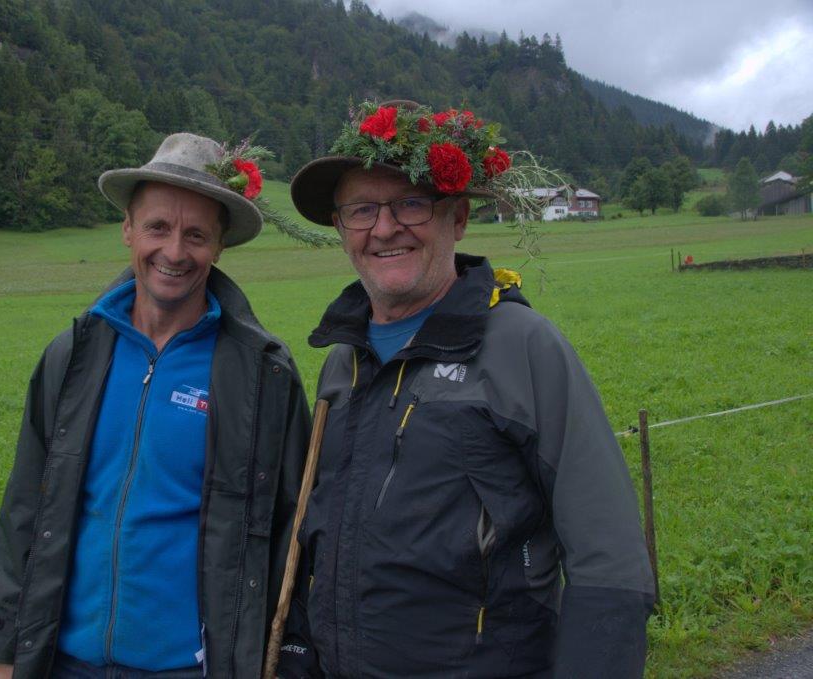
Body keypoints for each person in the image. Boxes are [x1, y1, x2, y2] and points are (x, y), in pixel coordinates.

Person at [276, 101, 655, 678]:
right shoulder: (341, 362)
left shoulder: (522, 347)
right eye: (362, 210)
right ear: (340, 228)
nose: (385, 228)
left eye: (411, 203)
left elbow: (610, 560)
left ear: (457, 218)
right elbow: (317, 532)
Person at [0, 132, 311, 678]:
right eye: (157, 227)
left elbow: (294, 531)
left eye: (196, 235)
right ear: (127, 228)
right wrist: (6, 655)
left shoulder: (262, 374)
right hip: (65, 663)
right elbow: (24, 510)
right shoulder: (73, 354)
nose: (174, 252)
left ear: (219, 246)